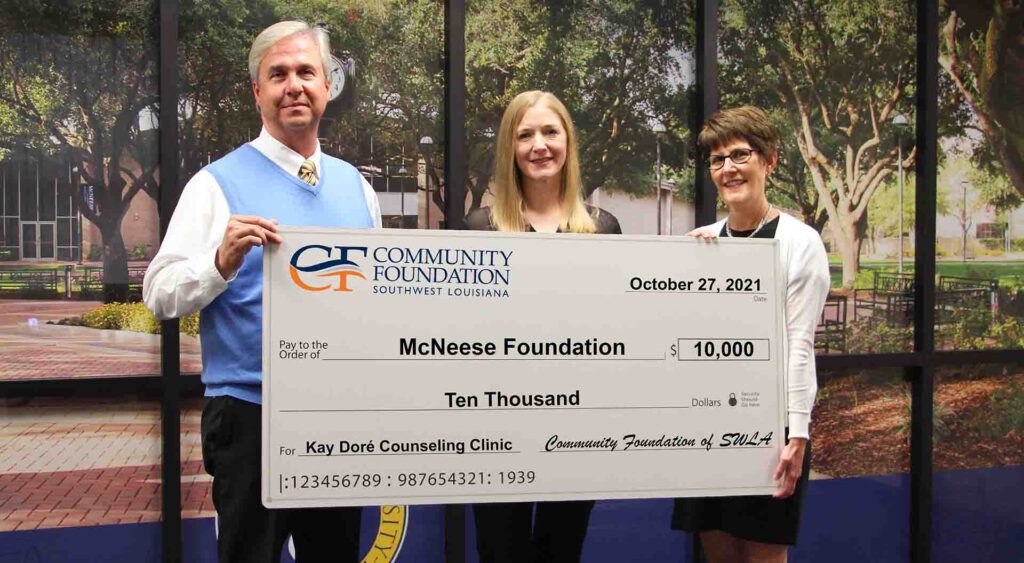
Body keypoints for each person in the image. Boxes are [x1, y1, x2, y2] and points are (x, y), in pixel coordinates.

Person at [143, 20, 381, 563]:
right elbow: (158, 293)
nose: (293, 85)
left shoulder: (358, 187)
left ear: (327, 86)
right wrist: (220, 262)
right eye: (278, 74)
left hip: (335, 415)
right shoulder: (215, 184)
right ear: (258, 92)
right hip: (249, 416)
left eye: (306, 72)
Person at [465, 90, 620, 562]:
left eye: (550, 132)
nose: (539, 145)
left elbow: (619, 327)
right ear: (510, 148)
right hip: (496, 429)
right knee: (500, 553)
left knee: (562, 553)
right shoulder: (479, 229)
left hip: (576, 431)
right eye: (525, 134)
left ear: (568, 142)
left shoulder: (603, 228)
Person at [673, 106, 830, 563]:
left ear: (769, 161)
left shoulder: (800, 243)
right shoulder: (702, 243)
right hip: (706, 423)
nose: (728, 169)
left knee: (763, 557)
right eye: (717, 160)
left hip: (770, 428)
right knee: (717, 553)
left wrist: (796, 435)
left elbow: (799, 346)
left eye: (740, 155)